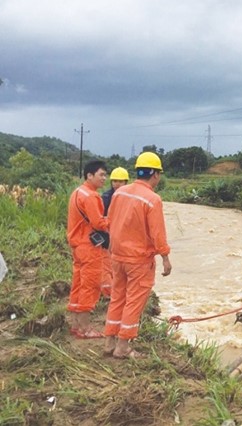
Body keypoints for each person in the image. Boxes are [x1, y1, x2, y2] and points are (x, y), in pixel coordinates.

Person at [103, 152, 172, 359]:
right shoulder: (153, 199)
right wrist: (165, 257)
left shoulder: (120, 193)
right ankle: (123, 346)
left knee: (117, 297)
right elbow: (157, 233)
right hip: (139, 260)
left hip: (117, 255)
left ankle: (109, 342)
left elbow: (110, 221)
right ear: (155, 174)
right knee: (134, 300)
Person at [66, 160, 109, 339]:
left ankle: (76, 325)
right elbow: (98, 223)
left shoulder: (77, 192)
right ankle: (85, 328)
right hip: (89, 247)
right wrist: (113, 221)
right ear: (89, 175)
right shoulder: (91, 196)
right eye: (101, 175)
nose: (104, 178)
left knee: (78, 284)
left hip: (78, 245)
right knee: (90, 286)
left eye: (105, 175)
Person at [100, 167, 129, 298]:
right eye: (114, 181)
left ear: (126, 182)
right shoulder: (106, 197)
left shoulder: (130, 197)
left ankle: (120, 290)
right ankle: (109, 292)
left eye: (120, 181)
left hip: (124, 237)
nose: (117, 184)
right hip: (108, 236)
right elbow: (100, 218)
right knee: (108, 264)